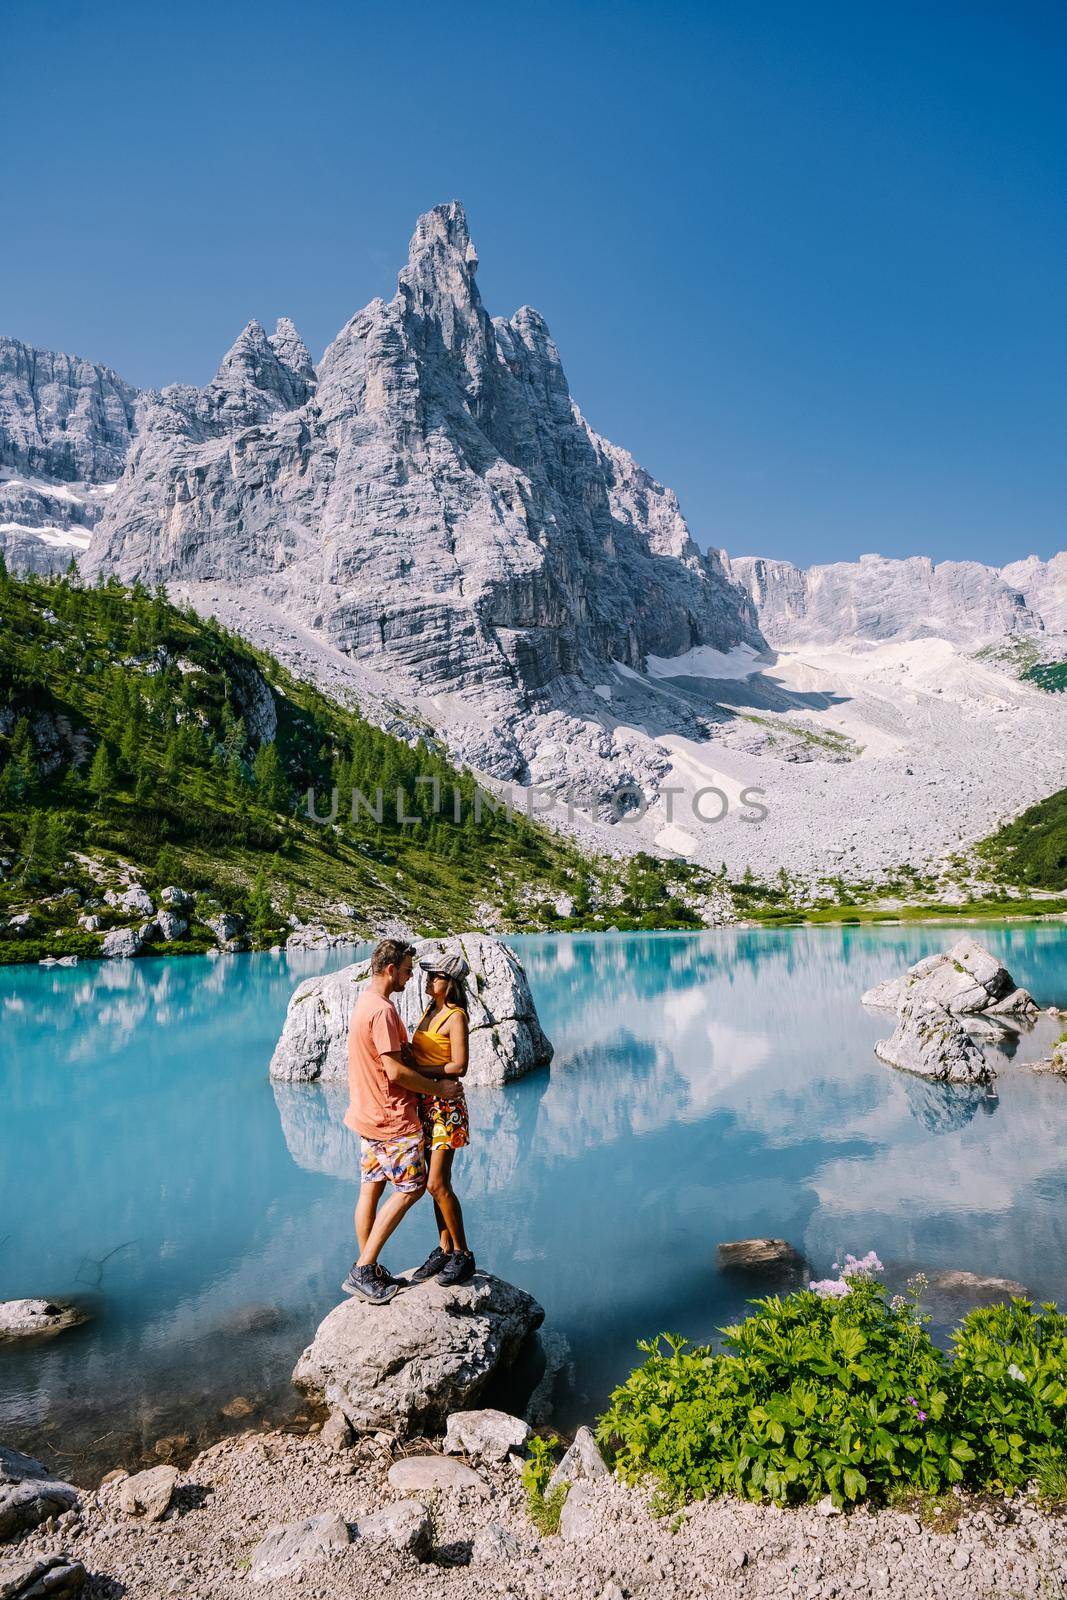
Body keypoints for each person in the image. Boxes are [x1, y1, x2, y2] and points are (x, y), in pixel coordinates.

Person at [341, 937, 462, 1305]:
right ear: (391, 969)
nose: (412, 978)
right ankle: (364, 1269)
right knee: (411, 1188)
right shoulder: (384, 1011)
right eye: (409, 971)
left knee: (371, 1189)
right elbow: (394, 1072)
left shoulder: (365, 1002)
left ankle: (369, 1269)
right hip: (391, 1118)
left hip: (365, 1115)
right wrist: (437, 1088)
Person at [407, 953, 476, 1286]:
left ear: (448, 984)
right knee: (436, 1185)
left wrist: (419, 1072)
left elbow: (459, 1066)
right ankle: (444, 1248)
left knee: (437, 1183)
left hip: (445, 1108)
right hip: (426, 1103)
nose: (427, 980)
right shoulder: (429, 1011)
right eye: (428, 975)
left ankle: (463, 1254)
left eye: (434, 976)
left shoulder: (454, 1016)